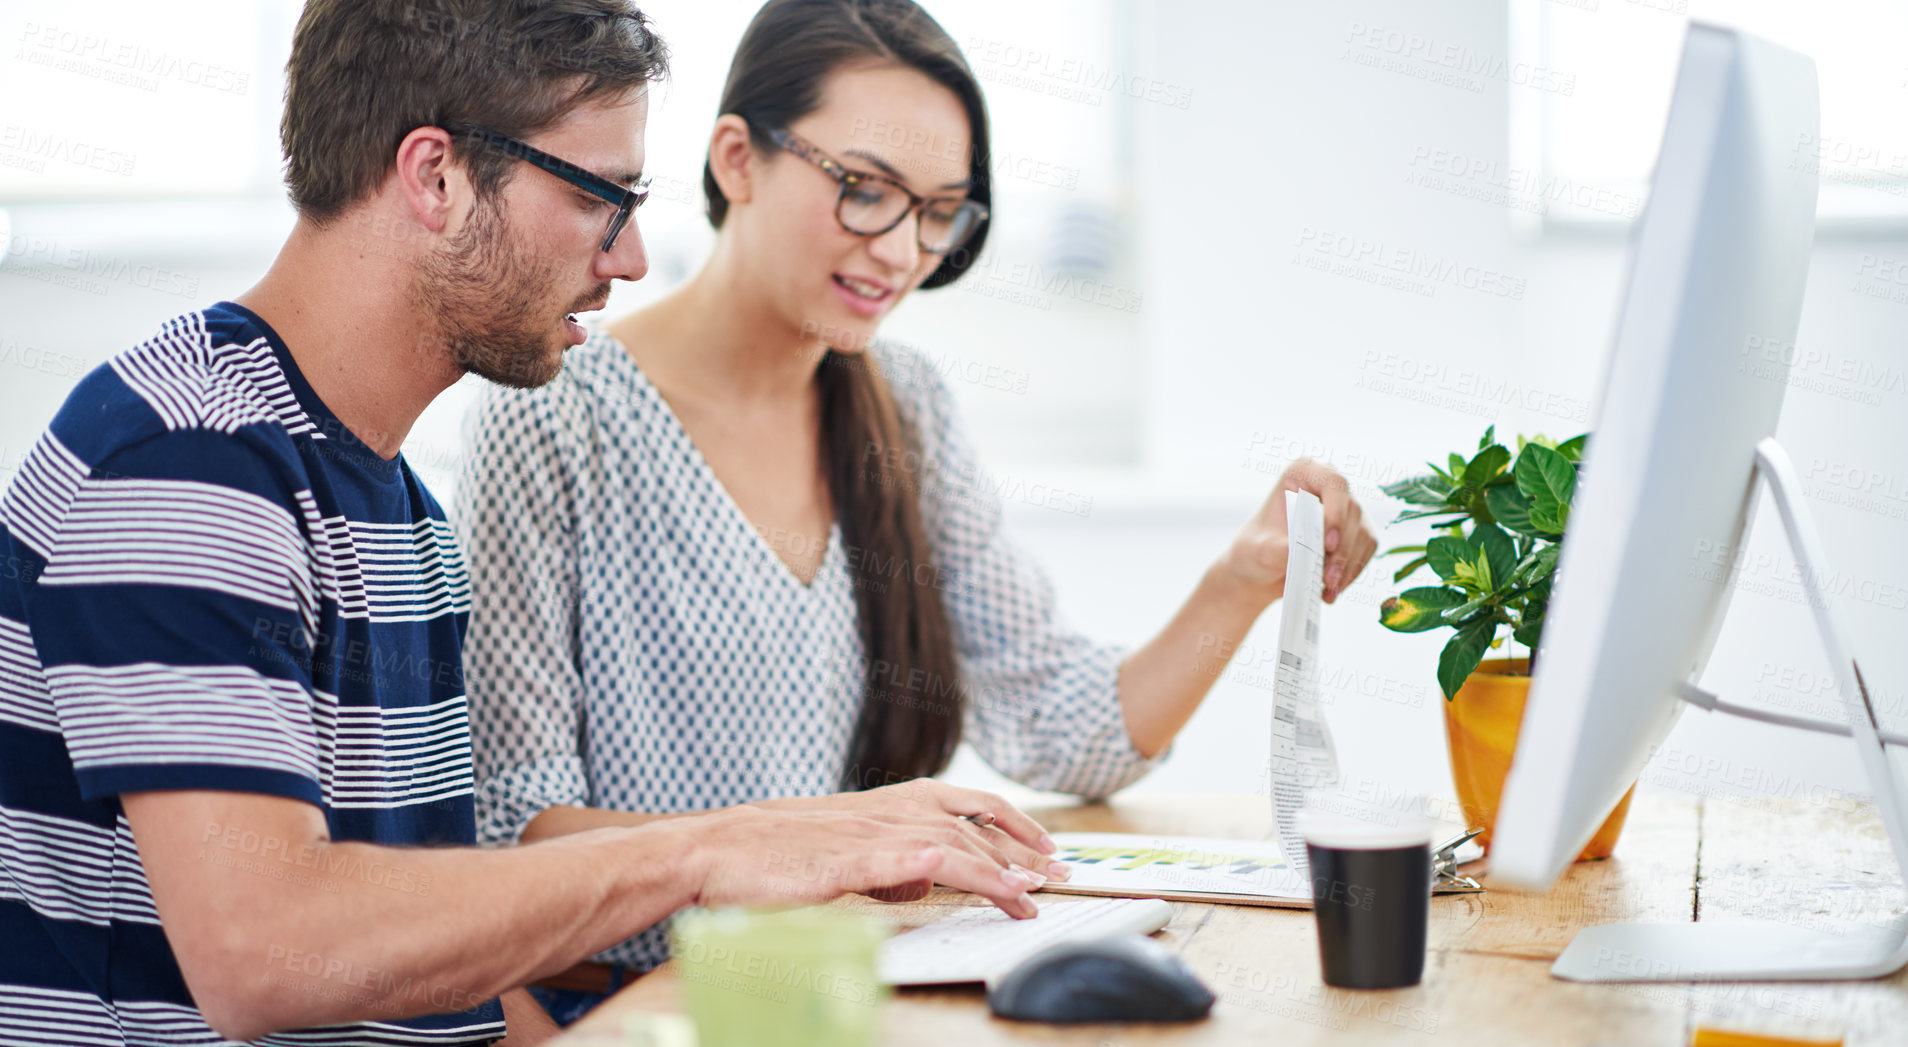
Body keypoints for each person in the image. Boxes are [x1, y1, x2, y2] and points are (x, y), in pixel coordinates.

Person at [0, 3, 1064, 1044]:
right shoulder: (187, 464)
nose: (633, 257)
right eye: (604, 197)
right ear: (436, 176)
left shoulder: (394, 506)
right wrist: (708, 851)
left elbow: (440, 929)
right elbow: (264, 954)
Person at [458, 0, 1380, 1020]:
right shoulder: (552, 421)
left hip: (846, 1000)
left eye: (940, 212)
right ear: (737, 160)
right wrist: (802, 843)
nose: (902, 252)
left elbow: (1067, 728)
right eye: (865, 190)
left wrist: (1244, 577)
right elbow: (515, 828)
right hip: (655, 1011)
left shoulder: (907, 408)